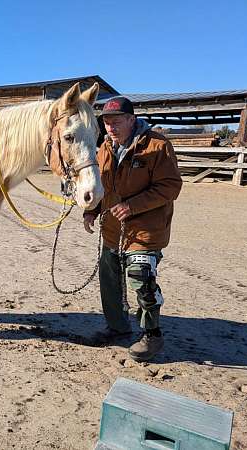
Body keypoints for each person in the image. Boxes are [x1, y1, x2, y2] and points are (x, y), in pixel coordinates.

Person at [84, 96, 182, 362]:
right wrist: (92, 210)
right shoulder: (104, 147)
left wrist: (132, 206)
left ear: (131, 119)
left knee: (141, 279)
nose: (111, 128)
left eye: (116, 122)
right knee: (110, 279)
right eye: (106, 123)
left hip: (144, 231)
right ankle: (117, 327)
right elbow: (103, 186)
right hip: (113, 230)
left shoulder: (157, 145)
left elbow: (170, 186)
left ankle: (152, 334)